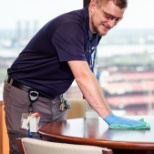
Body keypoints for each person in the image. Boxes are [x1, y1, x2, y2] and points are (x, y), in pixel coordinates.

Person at [3, 0, 148, 154]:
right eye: (108, 16)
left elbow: (85, 70)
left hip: (55, 100)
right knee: (28, 150)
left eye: (117, 20)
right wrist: (110, 117)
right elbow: (83, 77)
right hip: (26, 99)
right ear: (93, 6)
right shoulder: (70, 27)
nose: (111, 24)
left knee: (56, 150)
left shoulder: (94, 30)